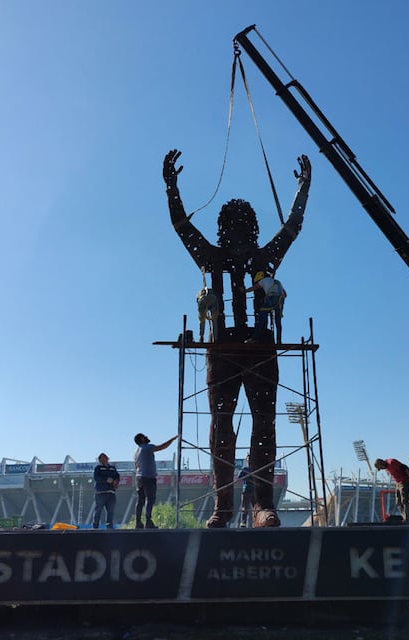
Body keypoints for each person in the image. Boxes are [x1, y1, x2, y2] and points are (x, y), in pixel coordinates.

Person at [164, 148, 311, 528]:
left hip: (260, 350)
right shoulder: (211, 260)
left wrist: (302, 190)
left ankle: (263, 504)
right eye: (233, 224)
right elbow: (182, 228)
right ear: (223, 229)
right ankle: (224, 507)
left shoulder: (265, 260)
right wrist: (171, 188)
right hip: (223, 349)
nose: (240, 231)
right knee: (221, 427)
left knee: (265, 424)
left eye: (245, 224)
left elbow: (292, 229)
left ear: (254, 229)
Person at [133, 432, 178, 529]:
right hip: (148, 477)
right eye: (144, 436)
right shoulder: (148, 447)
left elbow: (136, 466)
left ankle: (138, 522)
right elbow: (162, 447)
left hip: (139, 478)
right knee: (150, 499)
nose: (146, 437)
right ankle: (148, 522)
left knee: (140, 500)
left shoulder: (137, 452)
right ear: (141, 439)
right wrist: (172, 439)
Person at [245, 272, 287, 343]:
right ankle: (279, 340)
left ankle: (254, 338)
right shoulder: (277, 282)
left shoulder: (264, 280)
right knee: (278, 321)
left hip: (272, 298)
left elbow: (254, 288)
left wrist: (244, 291)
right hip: (281, 301)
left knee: (261, 318)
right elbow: (285, 294)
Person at [92, 453, 120, 530]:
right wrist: (107, 480)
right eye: (102, 457)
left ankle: (109, 526)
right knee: (98, 510)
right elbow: (97, 478)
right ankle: (95, 526)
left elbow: (117, 476)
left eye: (106, 457)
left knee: (111, 511)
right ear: (100, 459)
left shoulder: (112, 468)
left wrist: (116, 482)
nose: (105, 459)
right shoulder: (98, 468)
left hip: (111, 492)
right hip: (100, 492)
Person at [237, 456, 256, 528]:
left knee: (247, 507)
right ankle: (247, 522)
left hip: (249, 489)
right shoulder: (250, 469)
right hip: (250, 489)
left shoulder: (247, 469)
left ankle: (245, 523)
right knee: (250, 507)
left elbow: (239, 477)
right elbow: (239, 477)